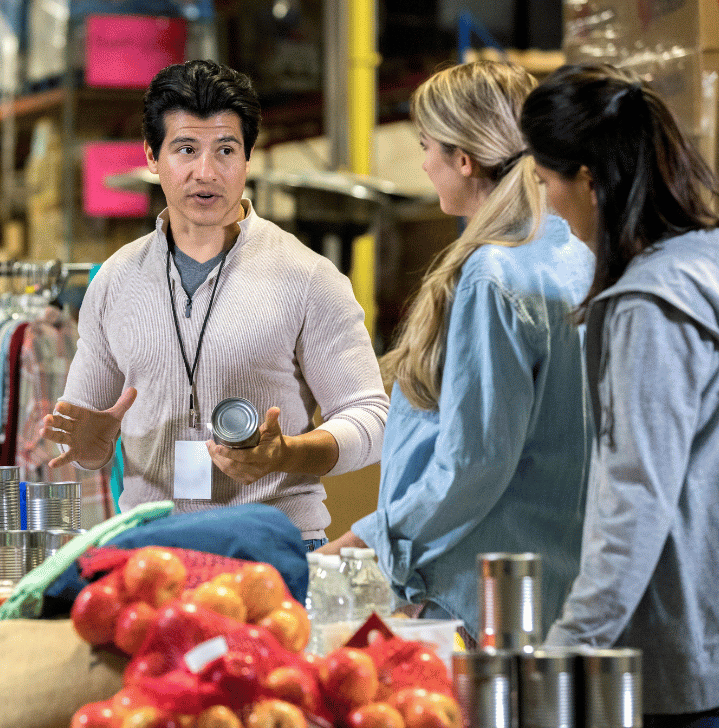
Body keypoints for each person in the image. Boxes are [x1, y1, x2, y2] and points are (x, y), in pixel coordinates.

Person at [39, 60, 389, 548]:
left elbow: (371, 415)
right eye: (185, 149)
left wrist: (286, 453)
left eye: (225, 150)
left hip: (273, 550)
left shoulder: (307, 277)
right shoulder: (115, 280)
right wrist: (92, 449)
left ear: (248, 159)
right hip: (150, 552)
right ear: (152, 157)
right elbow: (85, 426)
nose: (206, 172)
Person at [320, 61, 595, 642]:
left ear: (464, 161)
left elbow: (476, 459)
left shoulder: (491, 275)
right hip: (559, 589)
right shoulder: (579, 256)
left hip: (481, 595)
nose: (423, 164)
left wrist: (378, 537)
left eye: (426, 147)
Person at [521, 63, 719, 726]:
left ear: (589, 180)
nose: (548, 205)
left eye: (548, 182)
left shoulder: (648, 307)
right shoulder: (707, 261)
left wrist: (567, 651)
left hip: (677, 653)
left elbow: (635, 495)